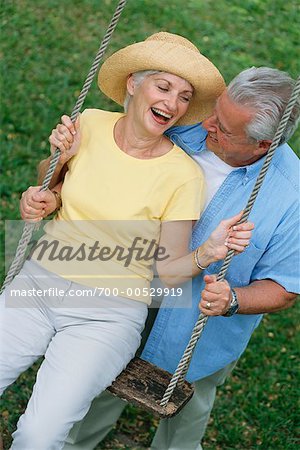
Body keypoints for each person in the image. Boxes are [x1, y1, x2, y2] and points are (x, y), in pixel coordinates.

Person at [0, 32, 252, 450]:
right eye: (164, 86)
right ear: (134, 83)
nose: (172, 104)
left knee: (37, 435)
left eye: (185, 96)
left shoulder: (181, 175)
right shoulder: (89, 124)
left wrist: (208, 252)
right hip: (37, 284)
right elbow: (50, 186)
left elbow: (169, 270)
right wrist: (48, 176)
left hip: (106, 315)